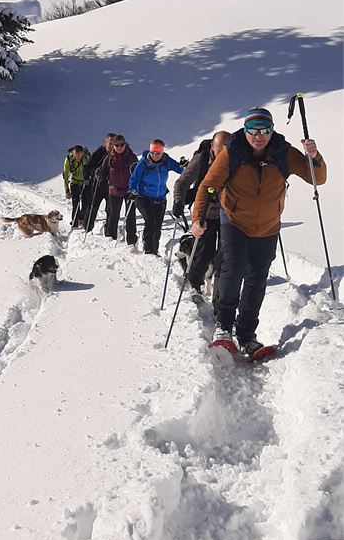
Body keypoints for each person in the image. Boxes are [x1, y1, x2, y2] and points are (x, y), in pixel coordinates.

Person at [191, 107, 327, 356]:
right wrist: (197, 217)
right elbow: (208, 185)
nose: (258, 135)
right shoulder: (232, 151)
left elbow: (317, 178)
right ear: (245, 130)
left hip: (267, 227)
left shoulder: (283, 152)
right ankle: (223, 327)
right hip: (234, 221)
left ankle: (246, 335)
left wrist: (314, 157)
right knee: (232, 269)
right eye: (252, 130)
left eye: (265, 130)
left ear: (272, 130)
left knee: (256, 279)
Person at [172, 131, 231, 293]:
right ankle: (195, 283)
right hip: (206, 210)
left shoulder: (235, 157)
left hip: (228, 212)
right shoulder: (202, 159)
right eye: (219, 152)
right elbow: (183, 181)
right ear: (212, 147)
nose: (222, 157)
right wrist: (178, 200)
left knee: (226, 253)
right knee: (204, 252)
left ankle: (221, 291)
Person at [128, 139, 183, 254]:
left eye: (158, 153)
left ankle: (155, 249)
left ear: (162, 152)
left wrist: (186, 166)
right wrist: (132, 190)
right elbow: (134, 179)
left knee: (157, 225)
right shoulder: (143, 163)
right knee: (150, 221)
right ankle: (148, 249)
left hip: (160, 198)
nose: (155, 155)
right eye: (153, 152)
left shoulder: (166, 161)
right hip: (143, 197)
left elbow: (180, 169)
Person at [99, 135, 139, 245]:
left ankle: (131, 241)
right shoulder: (109, 158)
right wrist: (99, 174)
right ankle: (111, 238)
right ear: (113, 146)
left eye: (122, 144)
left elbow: (139, 172)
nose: (120, 147)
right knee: (113, 215)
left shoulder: (131, 157)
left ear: (125, 145)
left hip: (129, 190)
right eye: (117, 145)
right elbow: (103, 171)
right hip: (114, 190)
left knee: (130, 215)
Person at [83, 133, 116, 232]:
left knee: (110, 210)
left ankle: (109, 231)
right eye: (110, 143)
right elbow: (88, 168)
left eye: (113, 143)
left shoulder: (117, 154)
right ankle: (87, 228)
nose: (111, 145)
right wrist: (95, 172)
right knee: (93, 207)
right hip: (97, 185)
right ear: (105, 143)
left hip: (111, 186)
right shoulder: (99, 153)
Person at [63, 145, 91, 228]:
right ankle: (74, 224)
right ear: (73, 153)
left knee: (86, 204)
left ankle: (81, 218)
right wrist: (67, 190)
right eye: (76, 155)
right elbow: (65, 174)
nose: (77, 157)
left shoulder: (87, 158)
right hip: (74, 182)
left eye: (79, 155)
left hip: (85, 183)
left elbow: (92, 168)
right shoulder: (69, 159)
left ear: (82, 153)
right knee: (75, 204)